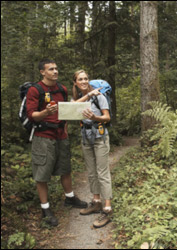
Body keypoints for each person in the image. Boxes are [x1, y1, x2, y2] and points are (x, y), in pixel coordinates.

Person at [26, 59, 87, 227]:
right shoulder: (35, 90)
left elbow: (66, 110)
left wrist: (65, 127)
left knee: (65, 168)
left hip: (61, 135)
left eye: (56, 68)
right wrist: (45, 112)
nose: (55, 71)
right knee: (42, 174)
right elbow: (32, 116)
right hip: (43, 136)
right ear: (42, 72)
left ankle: (70, 198)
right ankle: (45, 209)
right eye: (51, 69)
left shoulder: (62, 88)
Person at [72, 70, 113, 228]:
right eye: (80, 79)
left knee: (102, 172)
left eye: (86, 78)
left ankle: (107, 208)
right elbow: (73, 108)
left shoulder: (99, 96)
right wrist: (87, 96)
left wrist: (94, 118)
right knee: (91, 171)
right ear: (75, 82)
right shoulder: (77, 98)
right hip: (85, 138)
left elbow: (107, 117)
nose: (83, 81)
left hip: (100, 137)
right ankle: (96, 202)